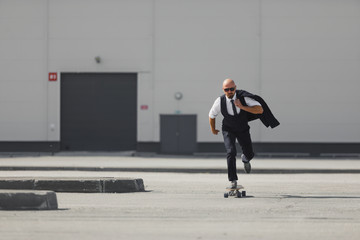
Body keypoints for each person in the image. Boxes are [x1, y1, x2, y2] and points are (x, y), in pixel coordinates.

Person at [209, 78, 279, 189]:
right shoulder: (220, 101)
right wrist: (213, 129)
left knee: (250, 153)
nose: (230, 91)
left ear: (235, 88)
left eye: (232, 89)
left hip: (242, 129)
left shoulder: (243, 98)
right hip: (228, 129)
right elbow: (212, 115)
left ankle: (245, 159)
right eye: (227, 90)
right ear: (223, 90)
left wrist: (242, 106)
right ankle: (233, 180)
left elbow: (260, 109)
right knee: (231, 152)